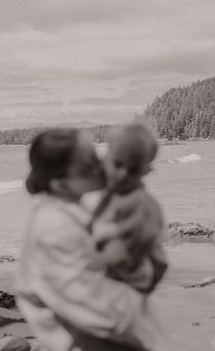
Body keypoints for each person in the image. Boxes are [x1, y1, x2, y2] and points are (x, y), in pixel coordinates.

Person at [16, 128, 165, 351]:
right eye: (89, 165)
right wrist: (146, 272)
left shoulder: (75, 206)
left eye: (98, 155)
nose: (101, 166)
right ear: (61, 185)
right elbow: (103, 310)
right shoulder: (54, 229)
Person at [84, 123, 168, 294]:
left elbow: (132, 246)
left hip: (129, 283)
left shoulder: (141, 204)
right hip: (114, 277)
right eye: (117, 164)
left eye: (134, 170)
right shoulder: (114, 189)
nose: (123, 174)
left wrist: (95, 262)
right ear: (106, 158)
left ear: (146, 171)